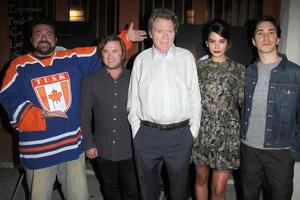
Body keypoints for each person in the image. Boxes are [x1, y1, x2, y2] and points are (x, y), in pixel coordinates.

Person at [0, 19, 146, 200]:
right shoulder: (18, 66)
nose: (44, 38)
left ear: (55, 39)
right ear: (31, 39)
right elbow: (7, 96)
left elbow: (102, 53)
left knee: (78, 196)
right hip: (39, 151)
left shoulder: (70, 58)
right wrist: (39, 114)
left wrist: (125, 38)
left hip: (72, 147)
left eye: (49, 34)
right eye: (38, 34)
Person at [127, 8, 201, 200]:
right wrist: (137, 132)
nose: (165, 36)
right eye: (160, 31)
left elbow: (195, 98)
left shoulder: (186, 58)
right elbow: (133, 101)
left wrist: (191, 133)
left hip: (180, 136)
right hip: (147, 136)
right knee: (148, 192)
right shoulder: (141, 60)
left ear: (175, 32)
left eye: (170, 31)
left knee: (178, 192)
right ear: (151, 33)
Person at [240, 15, 300, 200]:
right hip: (249, 150)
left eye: (271, 32)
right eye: (260, 33)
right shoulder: (247, 72)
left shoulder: (295, 73)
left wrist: (295, 150)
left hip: (280, 152)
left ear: (278, 39)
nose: (265, 37)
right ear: (253, 40)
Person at [191, 19, 245, 200]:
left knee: (219, 190)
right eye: (212, 41)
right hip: (202, 132)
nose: (216, 46)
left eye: (221, 41)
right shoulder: (197, 68)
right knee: (200, 179)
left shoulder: (239, 70)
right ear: (206, 43)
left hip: (227, 136)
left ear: (228, 44)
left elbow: (243, 103)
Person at [80, 35, 138, 200]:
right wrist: (88, 144)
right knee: (110, 190)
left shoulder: (135, 78)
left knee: (132, 190)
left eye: (114, 51)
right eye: (105, 51)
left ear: (123, 54)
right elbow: (84, 115)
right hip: (103, 148)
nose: (110, 56)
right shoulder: (90, 81)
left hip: (131, 148)